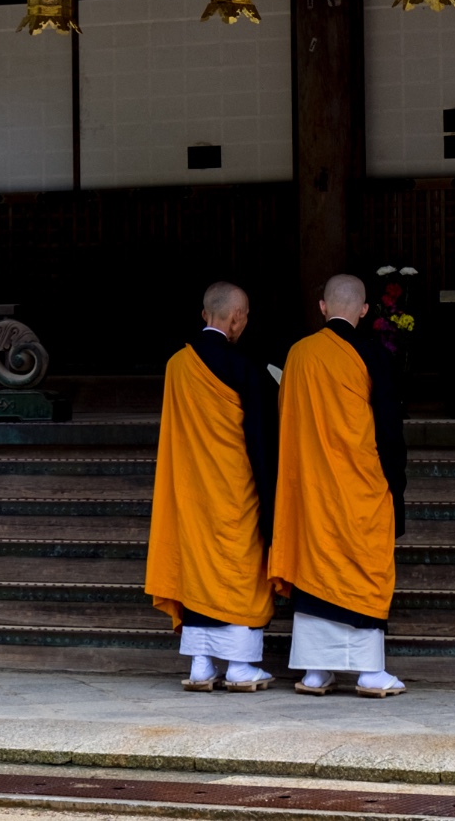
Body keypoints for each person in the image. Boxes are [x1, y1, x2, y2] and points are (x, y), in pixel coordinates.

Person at [269, 272, 409, 697]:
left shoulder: (298, 354)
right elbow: (388, 429)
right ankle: (368, 673)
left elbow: (286, 421)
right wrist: (395, 483)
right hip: (360, 487)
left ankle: (315, 671)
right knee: (363, 568)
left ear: (323, 307)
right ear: (365, 310)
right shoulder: (374, 355)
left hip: (311, 488)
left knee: (316, 566)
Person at [146, 281, 280, 692]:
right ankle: (240, 666)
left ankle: (201, 665)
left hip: (190, 491)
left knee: (198, 573)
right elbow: (261, 439)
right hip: (235, 492)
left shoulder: (177, 366)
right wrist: (273, 499)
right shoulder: (245, 369)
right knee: (239, 571)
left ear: (205, 314)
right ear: (237, 317)